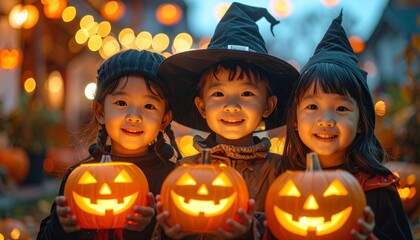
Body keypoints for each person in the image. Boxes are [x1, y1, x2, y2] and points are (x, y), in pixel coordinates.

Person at [153, 2, 299, 239]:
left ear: (268, 106)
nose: (232, 105)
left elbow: (295, 227)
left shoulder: (283, 172)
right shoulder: (183, 171)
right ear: (202, 106)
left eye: (247, 94)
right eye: (218, 94)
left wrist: (249, 233)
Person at [281, 11, 413, 239]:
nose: (326, 120)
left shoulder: (378, 190)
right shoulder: (282, 180)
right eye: (312, 107)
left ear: (361, 122)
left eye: (341, 109)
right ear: (294, 119)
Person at [37, 49, 181, 240]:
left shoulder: (172, 182)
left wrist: (148, 230)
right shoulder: (80, 176)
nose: (134, 117)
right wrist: (62, 226)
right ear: (100, 112)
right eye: (121, 103)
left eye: (149, 106)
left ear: (164, 119)